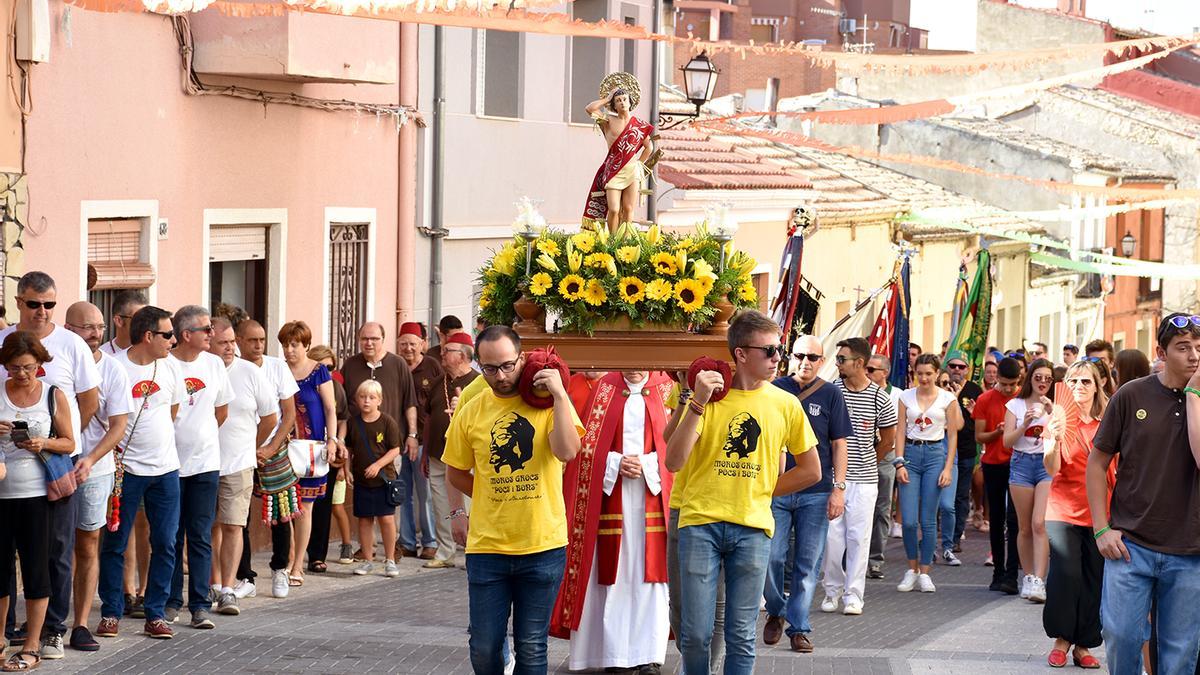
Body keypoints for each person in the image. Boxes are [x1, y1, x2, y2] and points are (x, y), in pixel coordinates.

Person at [665, 310, 820, 674]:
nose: (778, 359)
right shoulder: (709, 396)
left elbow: (811, 470)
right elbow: (673, 461)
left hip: (752, 528)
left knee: (740, 635)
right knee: (695, 633)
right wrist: (697, 402)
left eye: (780, 350)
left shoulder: (784, 403)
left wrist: (763, 491)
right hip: (700, 523)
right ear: (740, 354)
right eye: (769, 351)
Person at [443, 326, 583, 673]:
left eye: (507, 366)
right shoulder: (473, 409)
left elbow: (567, 451)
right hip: (488, 548)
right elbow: (455, 470)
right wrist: (466, 507)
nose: (500, 376)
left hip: (542, 545)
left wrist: (561, 396)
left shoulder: (546, 401)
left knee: (532, 647)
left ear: (521, 358)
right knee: (484, 646)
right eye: (490, 369)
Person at [0, 272, 102, 661]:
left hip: (56, 464)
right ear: (19, 302)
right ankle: (7, 631)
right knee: (5, 554)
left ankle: (53, 631)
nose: (42, 312)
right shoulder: (2, 342)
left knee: (57, 549)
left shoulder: (71, 344)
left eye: (49, 305)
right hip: (6, 475)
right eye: (33, 304)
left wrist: (58, 444)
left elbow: (87, 403)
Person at [1091, 314, 1200, 674]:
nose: (1194, 356)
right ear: (1161, 352)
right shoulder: (1131, 394)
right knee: (1120, 635)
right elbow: (1097, 463)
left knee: (1180, 653)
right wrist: (1101, 528)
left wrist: (1195, 397)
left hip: (1190, 551)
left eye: (1199, 348)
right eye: (1183, 348)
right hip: (1130, 545)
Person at [552, 371, 674, 672]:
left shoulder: (667, 389)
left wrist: (646, 463)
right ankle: (612, 655)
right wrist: (616, 462)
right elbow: (585, 451)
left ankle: (649, 656)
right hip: (610, 501)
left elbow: (675, 449)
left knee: (651, 580)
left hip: (651, 500)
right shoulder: (604, 389)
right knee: (611, 577)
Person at [97, 306, 187, 640]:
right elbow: (101, 415)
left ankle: (156, 613)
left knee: (165, 542)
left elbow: (172, 411)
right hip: (125, 469)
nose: (173, 341)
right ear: (148, 336)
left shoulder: (171, 367)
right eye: (168, 335)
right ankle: (110, 611)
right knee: (115, 542)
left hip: (166, 469)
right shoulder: (113, 367)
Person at [762, 336, 850, 651]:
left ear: (822, 360)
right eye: (800, 355)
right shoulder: (773, 388)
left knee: (807, 564)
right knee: (771, 557)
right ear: (790, 356)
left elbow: (840, 444)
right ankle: (775, 610)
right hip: (778, 489)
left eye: (813, 357)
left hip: (816, 491)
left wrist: (839, 489)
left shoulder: (831, 394)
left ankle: (798, 627)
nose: (806, 362)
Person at [0, 331, 75, 671]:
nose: (22, 374)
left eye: (28, 367)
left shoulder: (52, 395)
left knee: (36, 568)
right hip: (2, 493)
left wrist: (43, 442)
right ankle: (0, 640)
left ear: (40, 363)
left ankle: (32, 644)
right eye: (14, 368)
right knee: (0, 572)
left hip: (38, 495)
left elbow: (70, 443)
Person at [64, 304, 131, 653]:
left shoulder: (114, 370)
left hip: (95, 469)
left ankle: (79, 624)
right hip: (56, 465)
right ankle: (50, 619)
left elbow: (118, 425)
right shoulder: (56, 361)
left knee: (88, 544)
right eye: (87, 327)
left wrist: (90, 459)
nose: (95, 333)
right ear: (68, 328)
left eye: (100, 327)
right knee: (55, 546)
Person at [164, 306, 234, 629]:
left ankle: (201, 605)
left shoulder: (214, 364)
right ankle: (171, 600)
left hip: (206, 462)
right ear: (186, 334)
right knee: (171, 536)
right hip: (170, 464)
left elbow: (222, 412)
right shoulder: (165, 364)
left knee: (201, 534)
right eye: (206, 329)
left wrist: (201, 438)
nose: (212, 333)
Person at [820, 337, 893, 618]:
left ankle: (854, 595)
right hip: (833, 478)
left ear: (859, 363)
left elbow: (887, 439)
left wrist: (868, 460)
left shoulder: (879, 397)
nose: (837, 363)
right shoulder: (832, 390)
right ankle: (832, 591)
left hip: (864, 481)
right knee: (833, 538)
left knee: (859, 539)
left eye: (842, 359)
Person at [1042, 360, 1108, 670]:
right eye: (1073, 381)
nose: (1079, 387)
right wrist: (1054, 440)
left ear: (1097, 386)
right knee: (1065, 577)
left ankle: (1083, 645)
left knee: (1093, 580)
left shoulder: (1109, 422)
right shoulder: (1057, 419)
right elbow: (1051, 469)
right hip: (1063, 509)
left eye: (1086, 382)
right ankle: (1061, 640)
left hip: (1100, 512)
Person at [208, 318, 276, 616]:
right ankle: (211, 583)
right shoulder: (201, 370)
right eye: (223, 343)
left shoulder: (249, 372)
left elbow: (271, 417)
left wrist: (252, 447)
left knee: (233, 525)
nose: (230, 348)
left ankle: (227, 588)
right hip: (203, 462)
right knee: (207, 528)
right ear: (208, 343)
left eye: (232, 342)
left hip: (238, 463)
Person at [232, 320, 298, 600]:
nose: (259, 346)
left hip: (273, 449)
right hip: (240, 449)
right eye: (252, 340)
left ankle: (280, 568)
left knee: (281, 512)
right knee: (239, 514)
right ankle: (244, 575)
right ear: (239, 340)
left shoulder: (276, 366)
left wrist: (271, 447)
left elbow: (289, 414)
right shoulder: (231, 368)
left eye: (262, 340)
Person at [894, 353, 961, 593]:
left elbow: (953, 434)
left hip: (934, 455)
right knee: (909, 521)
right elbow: (900, 430)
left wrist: (948, 468)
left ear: (936, 373)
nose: (923, 378)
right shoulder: (905, 396)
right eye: (919, 373)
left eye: (928, 374)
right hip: (911, 454)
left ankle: (925, 571)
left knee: (928, 519)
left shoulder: (948, 398)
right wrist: (899, 463)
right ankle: (911, 569)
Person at [279, 321, 338, 585]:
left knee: (305, 507)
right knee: (285, 506)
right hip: (282, 446)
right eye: (285, 345)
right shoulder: (277, 370)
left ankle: (297, 564)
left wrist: (333, 439)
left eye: (294, 344)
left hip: (311, 448)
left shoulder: (319, 372)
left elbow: (330, 409)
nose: (289, 350)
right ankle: (288, 554)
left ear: (306, 346)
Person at [421, 332, 478, 569]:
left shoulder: (478, 384)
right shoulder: (438, 382)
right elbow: (428, 418)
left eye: (447, 351)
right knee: (441, 503)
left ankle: (472, 550)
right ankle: (445, 551)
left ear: (463, 355)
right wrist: (425, 453)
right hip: (437, 453)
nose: (441, 353)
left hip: (467, 456)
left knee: (468, 503)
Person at [1003, 357, 1054, 603]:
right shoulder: (1015, 404)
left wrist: (1052, 413)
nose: (1043, 382)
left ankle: (1039, 581)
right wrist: (1025, 423)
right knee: (1024, 527)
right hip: (1021, 464)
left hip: (1046, 465)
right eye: (1038, 377)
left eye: (1048, 378)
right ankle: (1029, 576)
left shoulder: (1054, 406)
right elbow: (1007, 441)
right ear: (1030, 378)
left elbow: (1062, 434)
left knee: (1039, 523)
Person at [973, 357, 1022, 593]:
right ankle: (998, 572)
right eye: (1004, 384)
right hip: (993, 463)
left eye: (1013, 384)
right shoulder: (985, 399)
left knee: (1014, 521)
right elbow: (979, 436)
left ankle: (1012, 573)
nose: (1008, 389)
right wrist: (997, 432)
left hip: (1018, 464)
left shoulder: (1022, 398)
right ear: (996, 379)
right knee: (997, 520)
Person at [582, 78, 655, 231]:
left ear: (630, 102)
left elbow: (649, 147)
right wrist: (607, 98)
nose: (622, 102)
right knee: (614, 209)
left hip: (631, 170)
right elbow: (589, 108)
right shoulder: (607, 121)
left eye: (624, 99)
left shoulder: (639, 125)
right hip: (613, 170)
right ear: (614, 105)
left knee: (628, 208)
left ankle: (625, 239)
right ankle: (613, 240)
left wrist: (639, 165)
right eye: (618, 100)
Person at [346, 379, 401, 578]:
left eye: (371, 397)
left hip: (384, 480)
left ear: (379, 400)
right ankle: (368, 559)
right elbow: (349, 449)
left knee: (386, 519)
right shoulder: (354, 423)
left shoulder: (387, 422)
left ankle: (390, 559)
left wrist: (378, 465)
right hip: (362, 480)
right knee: (364, 520)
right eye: (362, 397)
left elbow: (395, 448)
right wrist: (347, 470)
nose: (366, 401)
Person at [396, 322, 442, 560]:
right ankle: (406, 541)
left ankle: (431, 541)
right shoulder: (395, 366)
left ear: (422, 344)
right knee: (402, 492)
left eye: (412, 344)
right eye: (403, 344)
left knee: (425, 493)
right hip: (397, 441)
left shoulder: (432, 366)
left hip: (424, 440)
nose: (408, 348)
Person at [304, 345, 349, 572]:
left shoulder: (336, 387)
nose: (328, 372)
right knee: (297, 504)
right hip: (300, 449)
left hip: (326, 451)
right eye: (324, 367)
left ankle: (317, 555)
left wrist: (338, 441)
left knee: (322, 504)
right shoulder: (297, 382)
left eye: (332, 368)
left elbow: (342, 419)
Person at [944, 350, 983, 565]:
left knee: (960, 496)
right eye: (953, 366)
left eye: (961, 367)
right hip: (939, 449)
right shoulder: (940, 388)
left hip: (965, 450)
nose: (956, 371)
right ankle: (940, 538)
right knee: (941, 499)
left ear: (967, 370)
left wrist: (973, 412)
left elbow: (978, 423)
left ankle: (955, 538)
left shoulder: (974, 390)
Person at [865, 354, 901, 581]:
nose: (867, 373)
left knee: (881, 509)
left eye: (871, 369)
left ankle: (875, 560)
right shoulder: (860, 390)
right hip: (861, 454)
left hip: (886, 454)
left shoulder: (896, 395)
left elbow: (898, 429)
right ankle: (851, 558)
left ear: (884, 373)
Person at [100, 290, 147, 356]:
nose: (146, 323)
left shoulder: (157, 355)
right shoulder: (101, 357)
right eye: (139, 318)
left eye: (147, 318)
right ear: (119, 321)